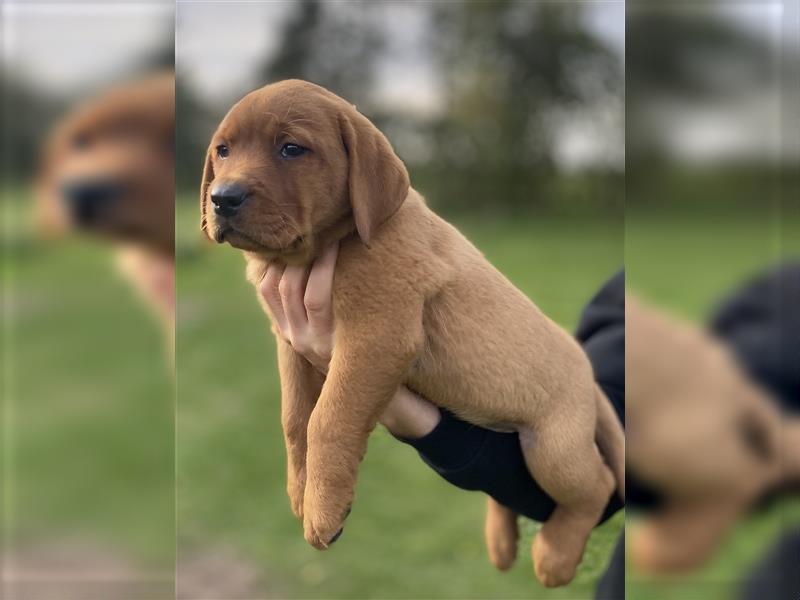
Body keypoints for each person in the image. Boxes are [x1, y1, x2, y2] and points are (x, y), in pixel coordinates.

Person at [261, 243, 626, 594]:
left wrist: (330, 458)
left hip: (549, 397)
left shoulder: (389, 240)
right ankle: (505, 498)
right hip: (524, 382)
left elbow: (386, 343)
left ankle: (585, 504)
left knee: (561, 462)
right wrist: (299, 447)